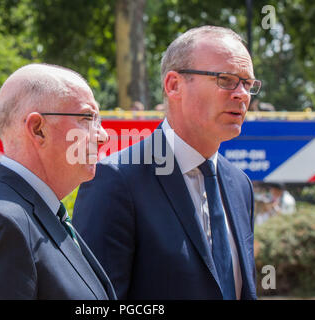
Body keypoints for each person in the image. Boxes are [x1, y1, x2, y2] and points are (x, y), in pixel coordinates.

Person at [73, 26, 261, 300]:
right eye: (227, 79)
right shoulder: (117, 180)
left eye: (248, 83)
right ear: (174, 85)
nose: (242, 94)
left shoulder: (239, 185)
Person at [0, 63, 116, 300]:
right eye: (87, 118)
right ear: (38, 129)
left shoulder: (29, 212)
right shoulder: (2, 221)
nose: (103, 136)